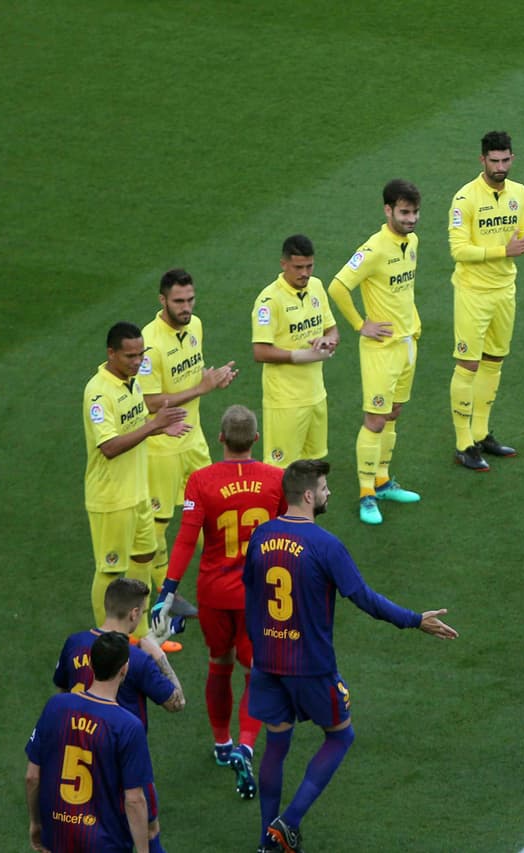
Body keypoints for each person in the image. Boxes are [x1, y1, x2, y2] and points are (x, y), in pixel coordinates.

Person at [244, 459, 458, 853]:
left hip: (267, 661)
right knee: (341, 736)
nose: (329, 494)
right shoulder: (325, 545)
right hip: (309, 665)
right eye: (324, 489)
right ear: (308, 496)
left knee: (276, 745)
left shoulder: (261, 536)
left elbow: (252, 593)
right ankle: (287, 824)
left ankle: (264, 843)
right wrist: (414, 620)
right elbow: (363, 598)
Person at [152, 404, 285, 800]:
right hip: (258, 596)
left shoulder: (202, 481)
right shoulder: (276, 479)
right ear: (256, 439)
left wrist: (167, 591)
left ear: (221, 438)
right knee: (256, 672)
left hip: (213, 594)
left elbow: (186, 539)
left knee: (219, 664)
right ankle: (246, 745)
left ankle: (222, 743)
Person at [141, 268, 238, 641]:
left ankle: (228, 571)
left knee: (213, 508)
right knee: (160, 522)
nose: (186, 307)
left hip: (193, 440)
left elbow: (193, 379)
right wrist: (202, 386)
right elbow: (149, 402)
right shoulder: (149, 343)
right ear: (162, 300)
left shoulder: (195, 325)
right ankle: (165, 597)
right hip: (162, 448)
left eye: (190, 299)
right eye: (179, 301)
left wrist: (212, 381)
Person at [53, 578, 184, 853]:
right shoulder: (135, 659)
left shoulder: (74, 643)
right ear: (134, 613)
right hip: (125, 760)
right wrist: (159, 655)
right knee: (148, 831)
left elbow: (62, 690)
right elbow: (177, 702)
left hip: (80, 755)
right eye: (144, 612)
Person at [327, 180, 425, 525]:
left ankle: (383, 481)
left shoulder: (411, 242)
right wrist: (359, 324)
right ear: (388, 210)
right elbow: (337, 286)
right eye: (404, 212)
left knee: (395, 412)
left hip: (407, 343)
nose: (411, 219)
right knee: (375, 419)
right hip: (381, 349)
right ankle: (366, 493)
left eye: (414, 212)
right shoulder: (373, 249)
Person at [84, 322, 190, 637]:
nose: (137, 361)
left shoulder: (132, 382)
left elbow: (134, 423)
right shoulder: (98, 393)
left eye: (141, 355)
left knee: (143, 556)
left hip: (139, 492)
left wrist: (157, 427)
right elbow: (109, 447)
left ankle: (140, 635)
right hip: (112, 499)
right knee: (111, 569)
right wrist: (152, 425)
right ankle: (106, 639)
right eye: (130, 356)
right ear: (111, 353)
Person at [448, 130, 524, 471]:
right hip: (473, 293)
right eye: (494, 161)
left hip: (505, 290)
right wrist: (504, 250)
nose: (501, 166)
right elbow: (458, 250)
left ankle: (481, 433)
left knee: (494, 360)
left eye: (506, 160)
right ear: (482, 160)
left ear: (512, 158)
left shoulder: (520, 193)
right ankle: (463, 444)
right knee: (469, 365)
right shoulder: (465, 199)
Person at [27, 631, 156, 853]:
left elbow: (32, 777)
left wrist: (36, 823)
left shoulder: (55, 707)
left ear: (91, 664)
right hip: (104, 844)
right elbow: (134, 800)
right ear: (124, 669)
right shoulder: (127, 726)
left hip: (57, 839)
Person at [252, 234, 339, 468]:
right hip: (285, 402)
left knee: (312, 467)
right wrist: (299, 356)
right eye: (298, 267)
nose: (305, 273)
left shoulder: (317, 287)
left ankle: (308, 507)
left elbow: (333, 330)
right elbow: (260, 351)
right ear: (284, 265)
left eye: (309, 266)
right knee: (280, 471)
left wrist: (327, 341)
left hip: (316, 395)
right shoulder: (269, 301)